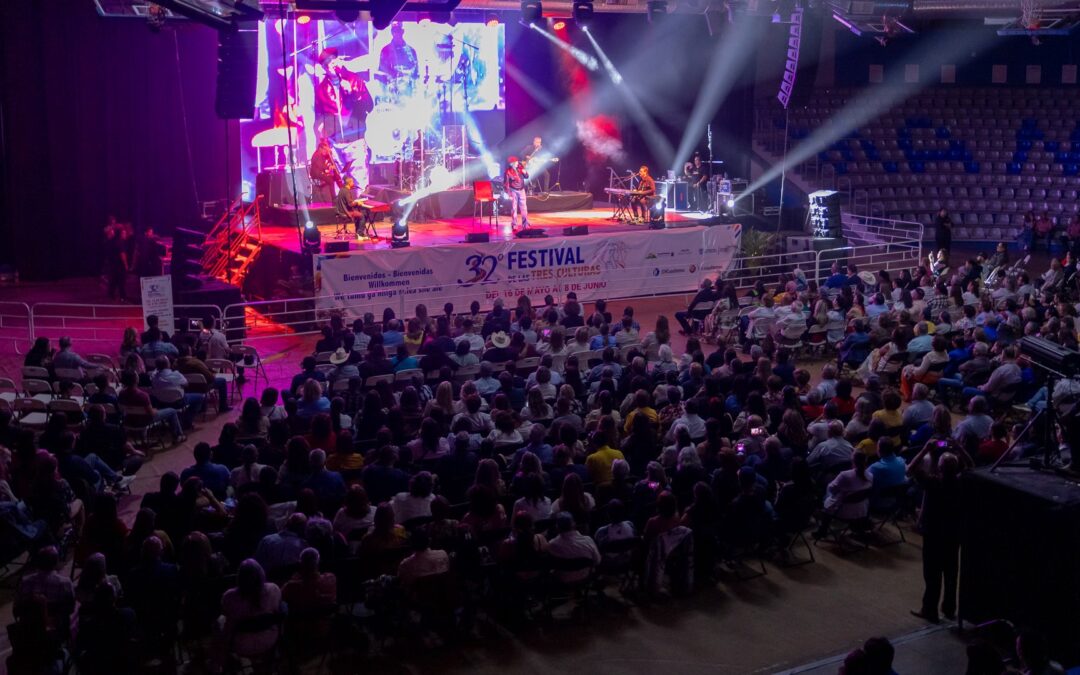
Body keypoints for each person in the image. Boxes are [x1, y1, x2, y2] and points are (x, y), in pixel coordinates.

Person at [907, 441, 971, 623]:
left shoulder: (933, 483)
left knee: (932, 575)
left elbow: (910, 469)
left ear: (940, 467)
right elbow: (971, 466)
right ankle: (949, 609)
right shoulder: (961, 482)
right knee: (951, 574)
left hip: (933, 535)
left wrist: (924, 449)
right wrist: (960, 448)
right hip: (953, 534)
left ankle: (930, 610)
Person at [546, 512, 600, 583]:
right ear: (573, 524)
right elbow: (597, 561)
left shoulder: (552, 544)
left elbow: (549, 565)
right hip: (585, 578)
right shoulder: (588, 540)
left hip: (561, 580)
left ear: (557, 527)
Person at [505, 156, 530, 229]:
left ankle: (525, 224)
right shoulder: (508, 171)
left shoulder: (520, 169)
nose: (517, 163)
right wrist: (508, 193)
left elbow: (526, 177)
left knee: (524, 208)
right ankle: (514, 224)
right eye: (515, 162)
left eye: (517, 162)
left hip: (521, 190)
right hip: (513, 191)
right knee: (514, 208)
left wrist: (525, 172)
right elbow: (506, 183)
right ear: (512, 163)